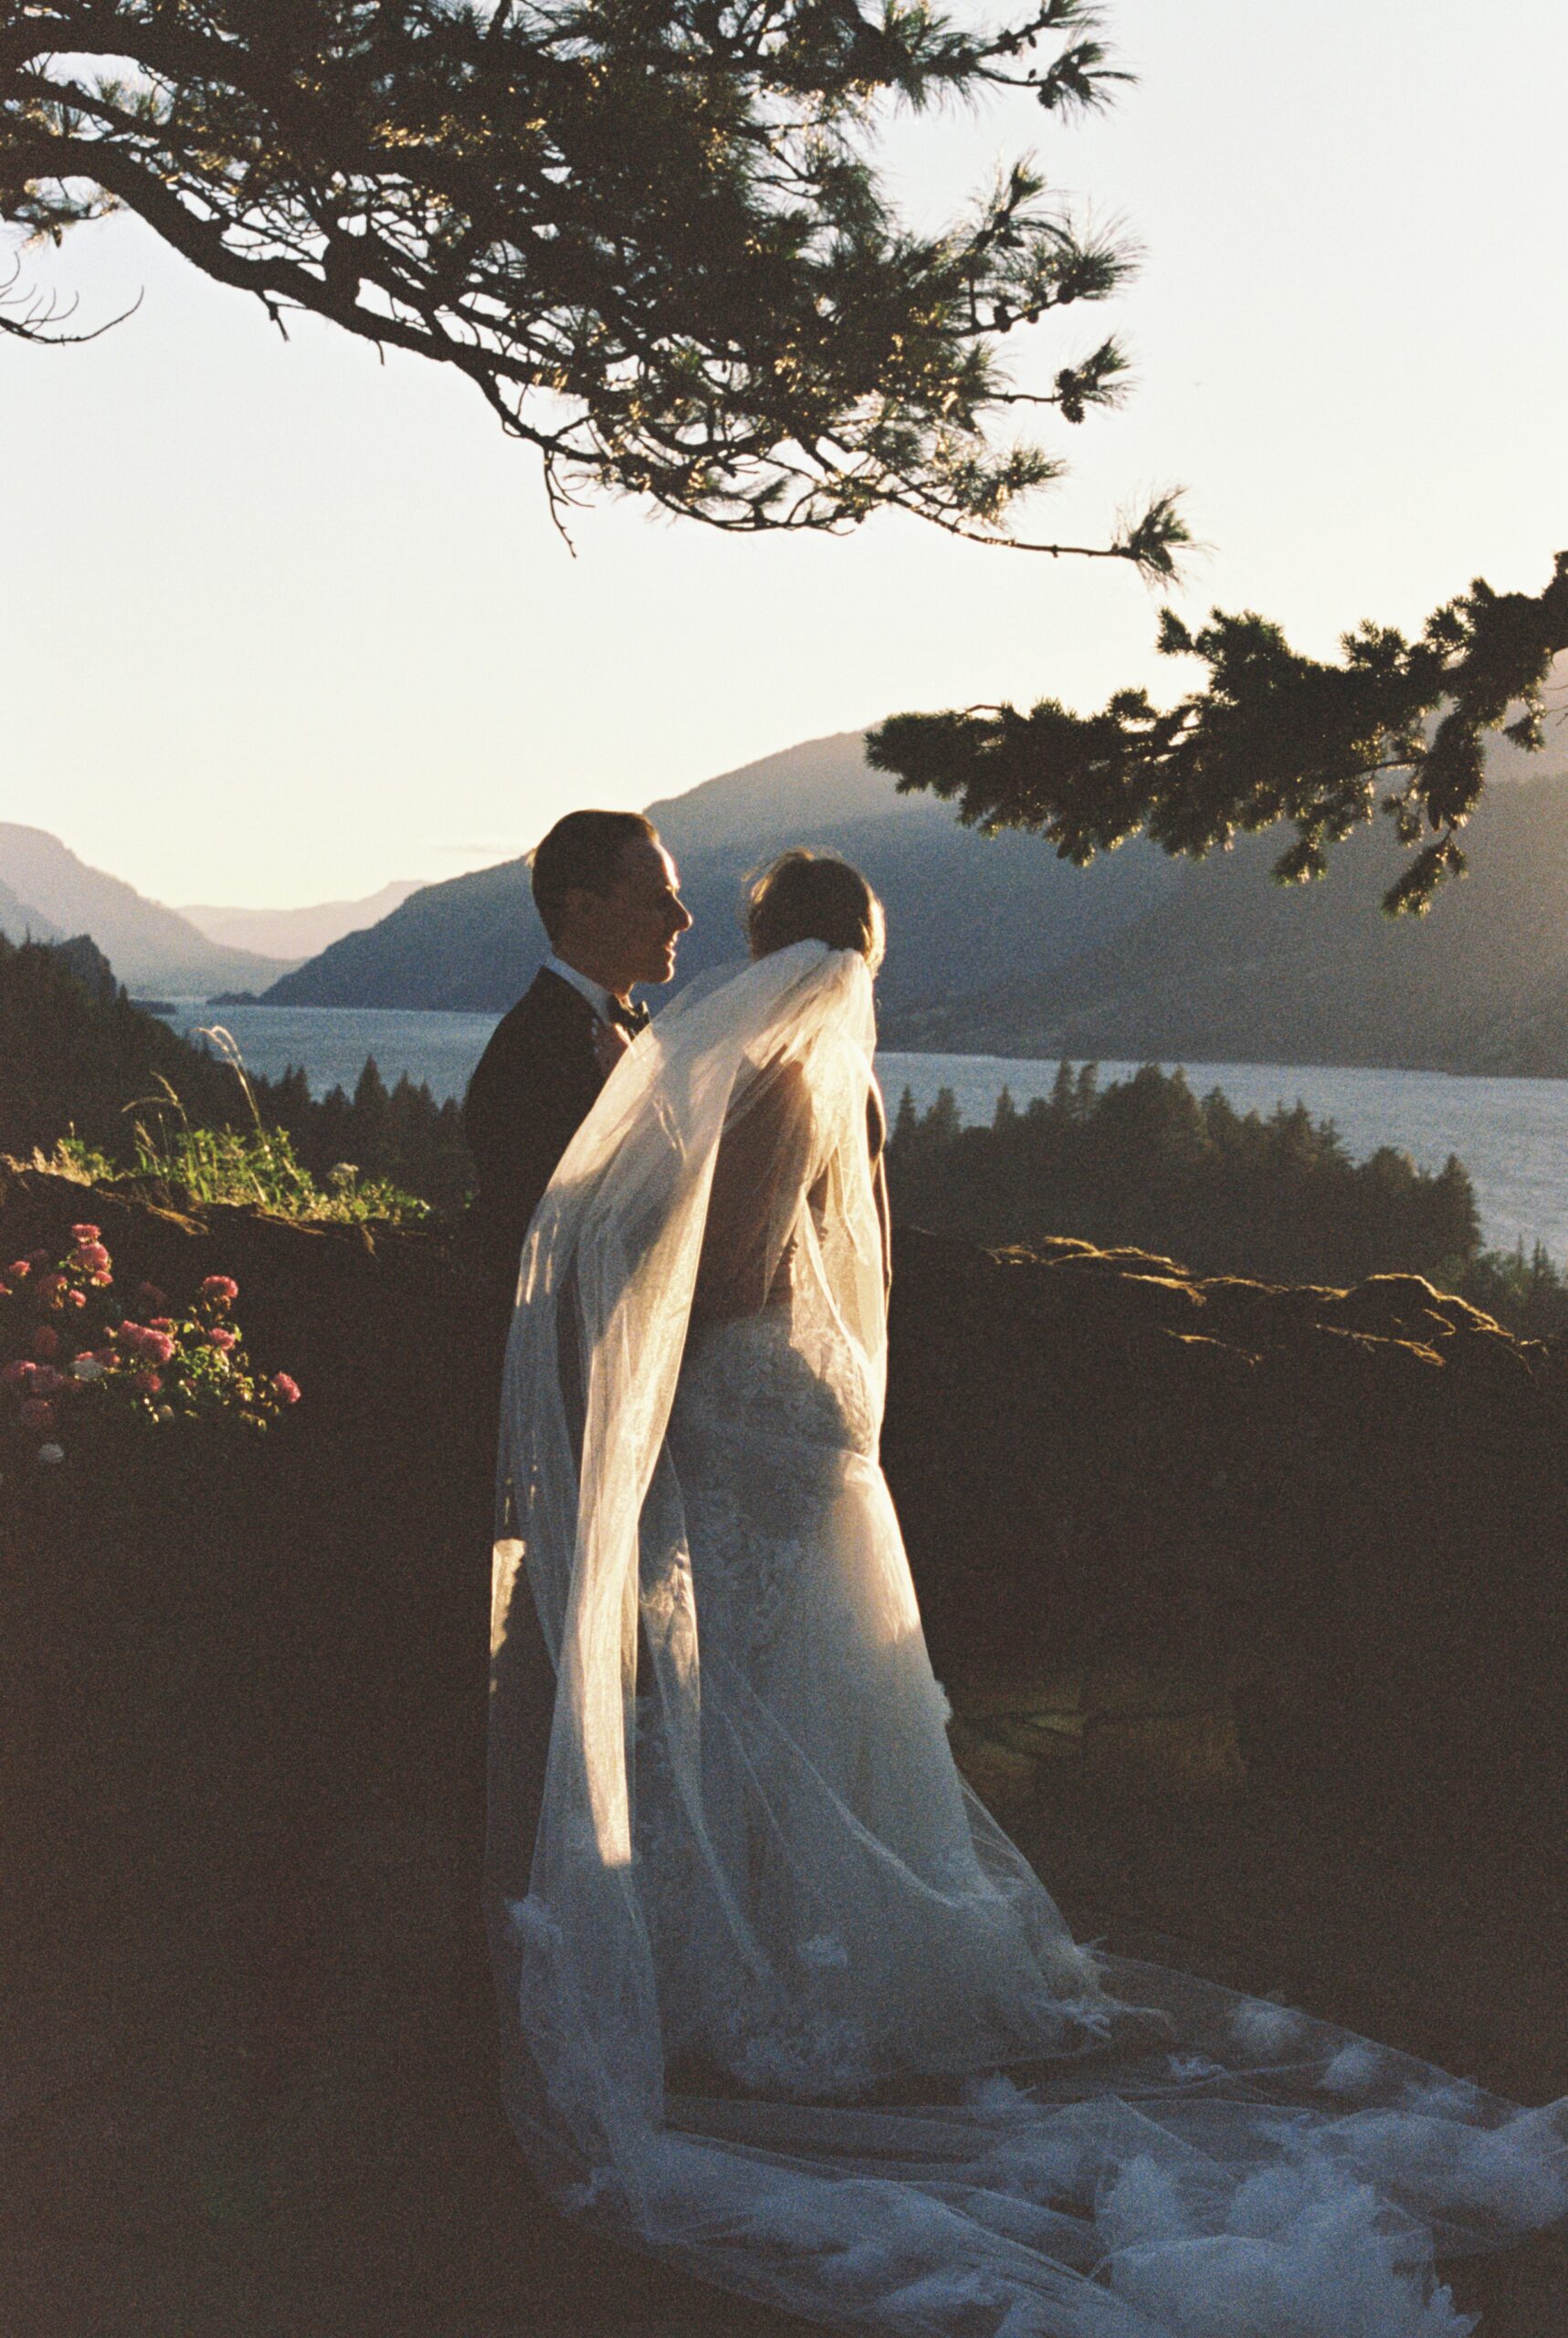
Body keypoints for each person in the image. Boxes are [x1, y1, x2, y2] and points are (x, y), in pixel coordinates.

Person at [487, 853, 1568, 2338]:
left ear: (762, 946)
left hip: (745, 1408)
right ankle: (808, 1956)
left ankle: (760, 1976)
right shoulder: (841, 1067)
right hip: (813, 1420)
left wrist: (631, 1317)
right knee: (802, 1696)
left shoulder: (772, 1065)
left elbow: (734, 1270)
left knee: (742, 1694)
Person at [461, 806, 692, 1387]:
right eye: (658, 899)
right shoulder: (532, 1050)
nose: (682, 918)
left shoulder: (619, 1036)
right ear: (583, 908)